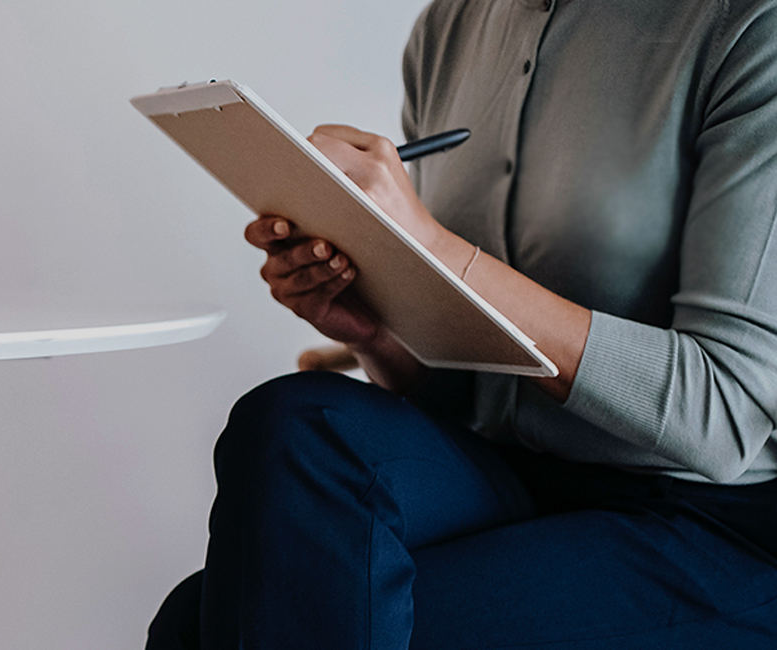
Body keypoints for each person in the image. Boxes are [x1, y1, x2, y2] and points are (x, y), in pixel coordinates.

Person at [148, 1, 777, 648]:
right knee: (293, 425)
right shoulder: (449, 28)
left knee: (212, 629)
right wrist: (376, 332)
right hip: (510, 466)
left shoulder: (748, 29)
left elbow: (725, 418)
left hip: (704, 518)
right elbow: (461, 391)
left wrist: (435, 245)